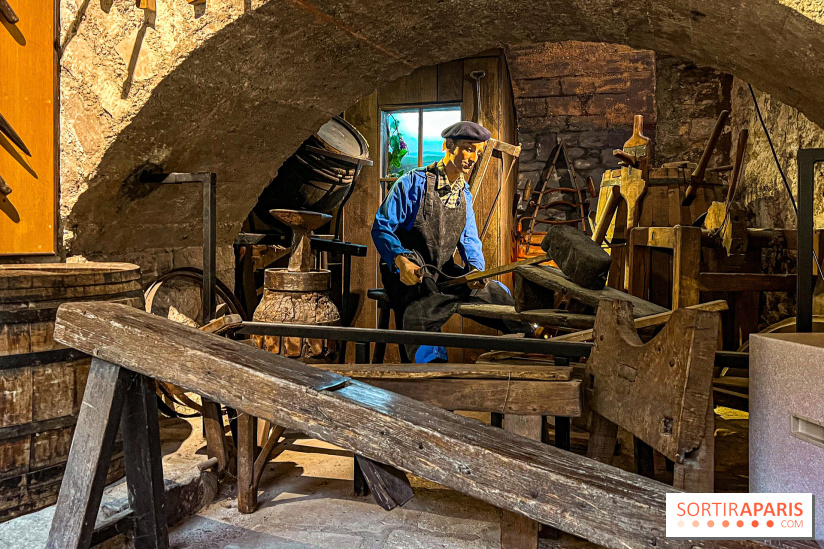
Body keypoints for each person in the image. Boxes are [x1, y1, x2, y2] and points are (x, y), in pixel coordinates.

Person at [371, 120, 527, 362]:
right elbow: (382, 227)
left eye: (477, 150)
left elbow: (469, 238)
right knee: (423, 302)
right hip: (410, 270)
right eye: (467, 148)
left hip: (442, 270)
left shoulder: (464, 193)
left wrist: (476, 269)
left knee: (496, 293)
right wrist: (400, 260)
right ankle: (432, 365)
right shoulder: (413, 183)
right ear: (448, 145)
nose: (472, 157)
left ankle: (531, 343)